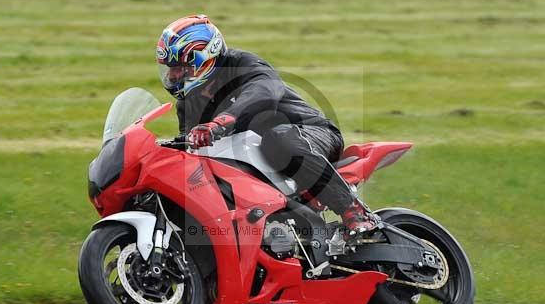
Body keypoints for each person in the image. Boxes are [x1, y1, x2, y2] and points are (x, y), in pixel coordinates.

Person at [156, 14, 378, 238]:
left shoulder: (243, 64)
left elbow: (264, 91)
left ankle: (354, 211)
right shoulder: (189, 102)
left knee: (277, 139)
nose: (174, 76)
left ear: (205, 59)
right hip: (262, 161)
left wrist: (221, 121)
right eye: (170, 69)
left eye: (181, 67)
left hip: (312, 133)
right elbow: (192, 150)